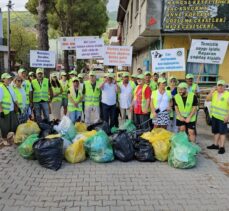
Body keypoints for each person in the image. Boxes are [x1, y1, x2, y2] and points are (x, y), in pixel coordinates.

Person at [206, 80, 229, 154]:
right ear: (217, 86)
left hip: (223, 117)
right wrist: (211, 91)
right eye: (219, 85)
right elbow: (207, 99)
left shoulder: (227, 94)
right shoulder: (214, 93)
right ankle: (215, 145)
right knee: (216, 131)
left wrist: (227, 116)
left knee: (222, 132)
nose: (220, 87)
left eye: (222, 85)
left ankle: (222, 147)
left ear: (225, 86)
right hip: (215, 116)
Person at [0, 73, 19, 140]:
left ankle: (11, 137)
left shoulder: (10, 87)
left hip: (12, 110)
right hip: (5, 111)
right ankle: (4, 139)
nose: (9, 80)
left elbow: (14, 98)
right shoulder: (1, 88)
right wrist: (1, 111)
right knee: (5, 127)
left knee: (14, 125)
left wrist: (18, 107)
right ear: (3, 79)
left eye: (10, 78)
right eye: (7, 78)